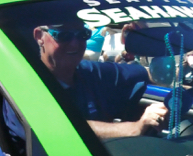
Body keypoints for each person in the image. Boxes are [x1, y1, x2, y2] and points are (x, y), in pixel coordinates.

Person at [32, 18, 164, 139]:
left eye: (82, 35)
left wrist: (178, 80)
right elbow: (60, 127)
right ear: (39, 36)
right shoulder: (25, 80)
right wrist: (136, 127)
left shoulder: (90, 72)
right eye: (63, 36)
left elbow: (147, 74)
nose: (74, 44)